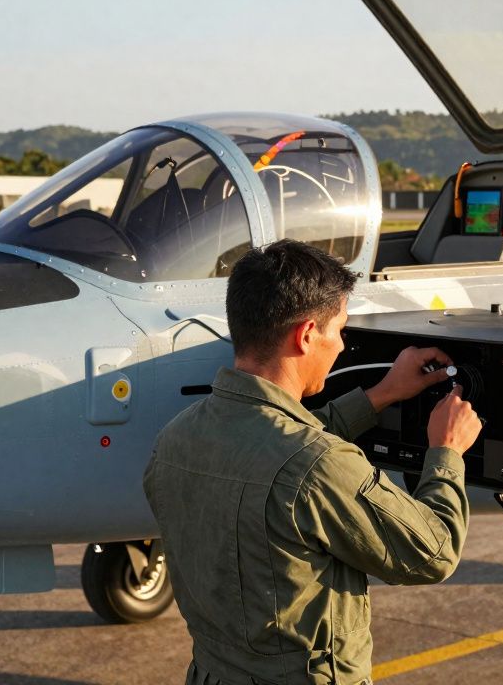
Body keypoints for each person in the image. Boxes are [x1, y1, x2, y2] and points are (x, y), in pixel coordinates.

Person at [144, 239, 482, 685]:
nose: (342, 346)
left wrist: (382, 395)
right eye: (339, 330)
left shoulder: (175, 441)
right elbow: (432, 552)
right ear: (305, 335)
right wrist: (447, 452)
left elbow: (277, 450)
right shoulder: (316, 466)